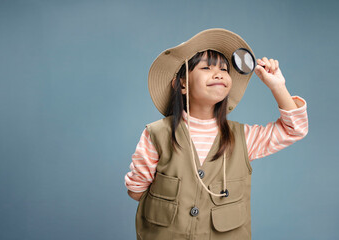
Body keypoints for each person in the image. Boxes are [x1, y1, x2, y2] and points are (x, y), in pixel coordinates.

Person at [124, 28, 309, 239]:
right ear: (182, 83)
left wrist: (278, 86)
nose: (219, 73)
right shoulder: (156, 135)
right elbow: (136, 190)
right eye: (206, 67)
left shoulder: (243, 137)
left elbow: (295, 129)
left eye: (224, 69)